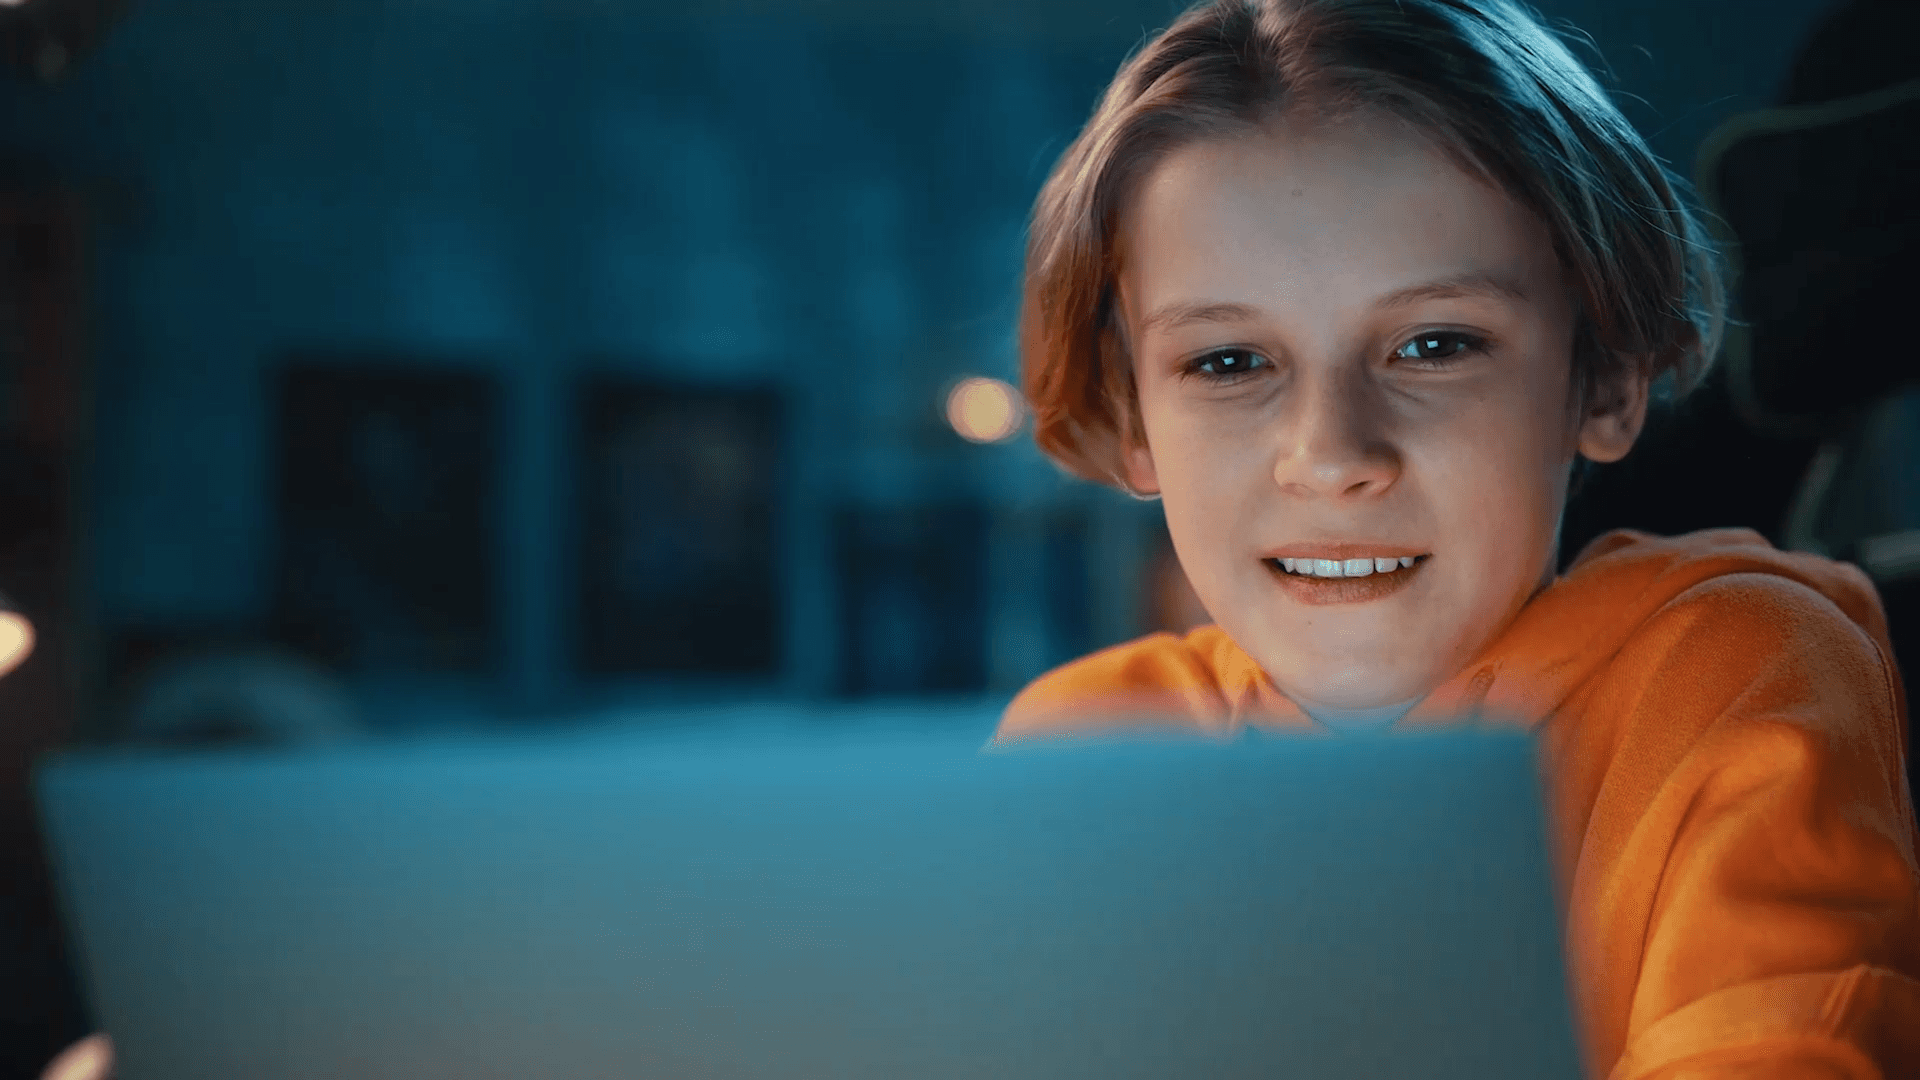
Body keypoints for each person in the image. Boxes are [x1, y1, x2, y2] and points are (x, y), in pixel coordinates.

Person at [997, 0, 1920, 1077]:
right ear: (1131, 415)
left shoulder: (1730, 668)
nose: (1333, 452)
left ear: (1607, 379)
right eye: (1229, 362)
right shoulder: (1078, 746)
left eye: (1433, 346)